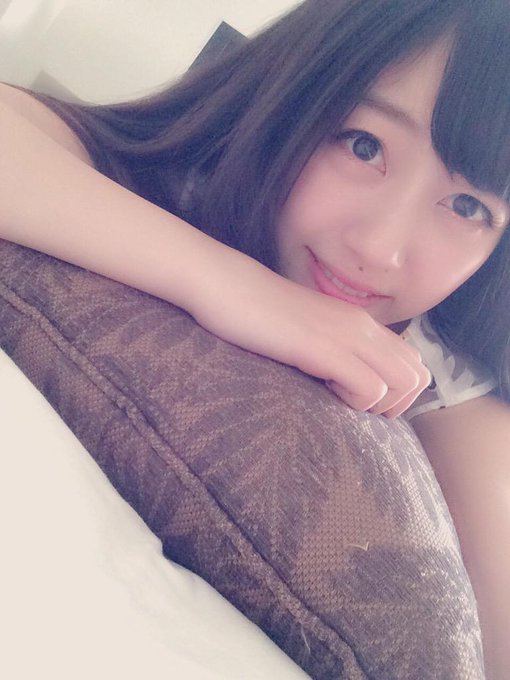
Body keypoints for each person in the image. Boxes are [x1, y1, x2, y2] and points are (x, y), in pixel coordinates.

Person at [0, 0, 509, 675]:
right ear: (295, 94)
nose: (380, 248)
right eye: (364, 145)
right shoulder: (177, 186)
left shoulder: (447, 377)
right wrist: (229, 284)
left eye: (468, 207)